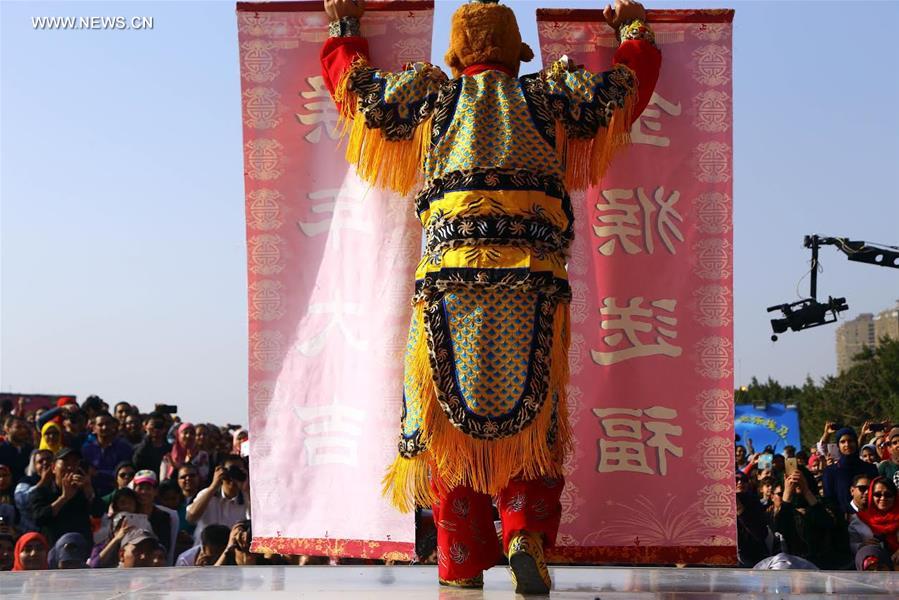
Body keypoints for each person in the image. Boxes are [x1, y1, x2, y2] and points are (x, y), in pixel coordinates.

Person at [321, 0, 659, 591]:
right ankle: (525, 530)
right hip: (534, 287)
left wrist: (345, 25)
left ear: (455, 58)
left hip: (448, 286)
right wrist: (631, 28)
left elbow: (357, 92)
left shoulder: (432, 98)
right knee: (534, 422)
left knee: (448, 427)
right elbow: (624, 89)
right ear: (517, 52)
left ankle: (461, 562)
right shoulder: (551, 96)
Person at [30, 448, 105, 544]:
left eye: (74, 463)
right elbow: (39, 518)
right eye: (65, 463)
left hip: (81, 547)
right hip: (54, 547)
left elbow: (98, 513)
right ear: (53, 468)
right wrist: (64, 498)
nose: (70, 468)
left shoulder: (83, 490)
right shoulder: (42, 491)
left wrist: (89, 491)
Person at [186, 456, 251, 545]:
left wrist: (247, 488)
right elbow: (191, 518)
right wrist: (213, 486)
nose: (233, 475)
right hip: (204, 550)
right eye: (231, 470)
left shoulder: (247, 498)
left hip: (230, 552)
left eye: (238, 470)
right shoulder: (208, 494)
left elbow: (256, 524)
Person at [822, 426, 878, 514]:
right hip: (843, 522)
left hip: (870, 519)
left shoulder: (870, 468)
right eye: (842, 442)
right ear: (838, 445)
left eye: (850, 441)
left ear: (856, 442)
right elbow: (829, 501)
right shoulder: (830, 472)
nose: (847, 445)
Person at [130, 469, 178, 565]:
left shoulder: (164, 516)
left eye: (148, 488)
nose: (143, 492)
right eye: (140, 488)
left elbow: (165, 547)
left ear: (155, 491)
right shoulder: (129, 515)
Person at [82, 412, 134, 497]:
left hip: (117, 493)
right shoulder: (87, 448)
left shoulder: (124, 447)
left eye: (108, 424)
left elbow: (125, 473)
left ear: (113, 426)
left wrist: (98, 473)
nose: (104, 427)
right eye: (100, 424)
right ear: (94, 428)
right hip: (92, 493)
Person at [852, 476, 899, 570]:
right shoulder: (859, 520)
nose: (883, 498)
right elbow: (851, 545)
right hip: (875, 577)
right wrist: (862, 546)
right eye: (877, 494)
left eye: (888, 495)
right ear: (870, 496)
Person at [14, 449, 55, 532]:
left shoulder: (61, 481)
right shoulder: (26, 480)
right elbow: (21, 501)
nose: (45, 463)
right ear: (35, 466)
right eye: (40, 461)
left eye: (48, 459)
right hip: (31, 531)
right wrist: (43, 482)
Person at [0, 415, 35, 484]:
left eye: (24, 427)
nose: (23, 430)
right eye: (18, 427)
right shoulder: (1, 449)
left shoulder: (30, 450)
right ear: (7, 429)